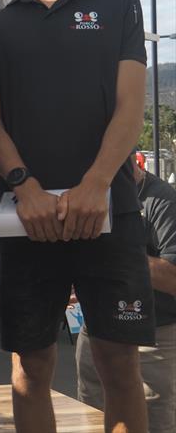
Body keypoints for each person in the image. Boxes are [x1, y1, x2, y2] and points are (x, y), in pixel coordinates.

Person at [0, 0, 154, 433]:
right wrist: (25, 188)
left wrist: (95, 184)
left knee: (120, 367)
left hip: (108, 211)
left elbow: (130, 108)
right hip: (26, 217)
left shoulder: (118, 2)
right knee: (30, 366)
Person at [76, 153, 176, 432]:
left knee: (154, 422)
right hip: (96, 328)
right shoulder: (90, 194)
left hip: (154, 336)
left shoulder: (162, 200)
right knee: (91, 415)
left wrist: (121, 256)